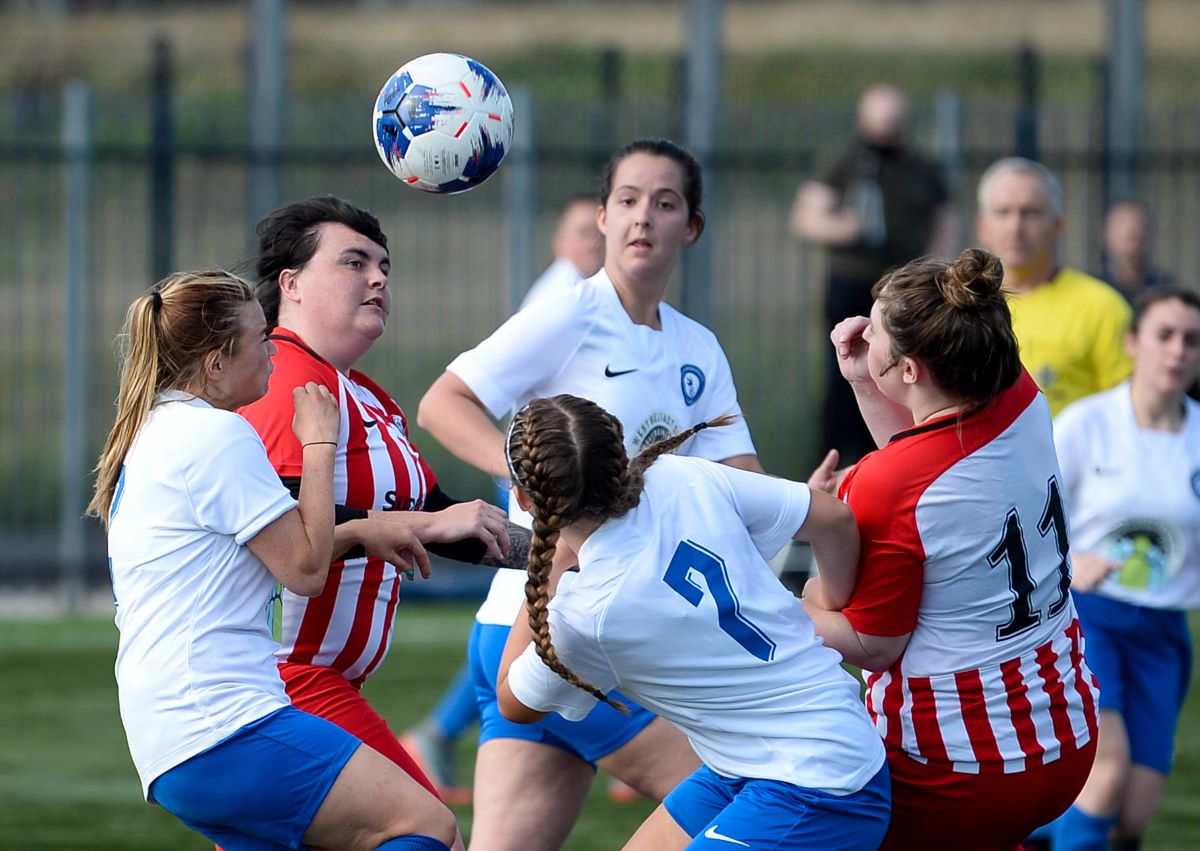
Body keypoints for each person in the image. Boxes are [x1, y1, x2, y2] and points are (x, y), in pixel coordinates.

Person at [418, 137, 762, 850]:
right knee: (754, 788)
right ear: (601, 217)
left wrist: (810, 500)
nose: (644, 217)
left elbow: (742, 484)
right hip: (558, 628)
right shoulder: (571, 314)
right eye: (628, 200)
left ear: (690, 227)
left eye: (665, 203)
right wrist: (519, 471)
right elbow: (444, 402)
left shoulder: (697, 347)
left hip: (583, 637)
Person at [87, 270, 456, 850]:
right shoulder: (216, 435)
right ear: (214, 363)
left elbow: (265, 553)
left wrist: (357, 530)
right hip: (224, 723)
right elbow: (304, 572)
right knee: (425, 825)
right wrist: (318, 442)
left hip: (174, 738)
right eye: (262, 340)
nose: (273, 355)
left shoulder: (159, 430)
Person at [495, 394, 890, 850]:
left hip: (821, 784)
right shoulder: (680, 475)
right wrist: (830, 600)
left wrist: (548, 569)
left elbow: (512, 701)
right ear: (618, 459)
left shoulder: (587, 614)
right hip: (760, 761)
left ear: (524, 499)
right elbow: (836, 519)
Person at [238, 196, 528, 814]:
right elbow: (277, 521)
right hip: (291, 684)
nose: (378, 279)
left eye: (384, 268)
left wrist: (556, 552)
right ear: (291, 284)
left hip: (327, 684)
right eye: (354, 263)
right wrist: (427, 521)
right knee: (426, 827)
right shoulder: (283, 377)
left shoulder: (363, 392)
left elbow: (449, 519)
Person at [803, 249, 1099, 850]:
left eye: (875, 327)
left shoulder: (886, 484)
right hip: (1066, 733)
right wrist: (866, 379)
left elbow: (873, 645)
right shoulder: (1021, 393)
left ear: (910, 370)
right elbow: (929, 465)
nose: (860, 330)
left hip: (957, 763)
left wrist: (797, 601)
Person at [401, 190, 606, 805]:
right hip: (543, 474)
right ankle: (437, 733)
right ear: (562, 241)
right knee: (528, 614)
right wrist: (523, 472)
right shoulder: (563, 302)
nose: (594, 244)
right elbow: (452, 401)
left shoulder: (607, 304)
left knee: (521, 617)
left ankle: (438, 733)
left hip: (548, 473)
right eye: (583, 231)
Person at [1048, 288, 1200, 850]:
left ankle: (1031, 831)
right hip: (1092, 620)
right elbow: (1031, 519)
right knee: (1104, 773)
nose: (1177, 351)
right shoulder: (1087, 424)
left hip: (1165, 633)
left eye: (1192, 340)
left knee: (1132, 815)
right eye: (1164, 335)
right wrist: (1070, 561)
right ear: (1134, 342)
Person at [791, 82, 959, 467]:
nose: (887, 131)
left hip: (903, 289)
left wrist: (935, 265)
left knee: (901, 369)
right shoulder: (846, 163)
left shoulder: (922, 168)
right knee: (844, 371)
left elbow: (945, 219)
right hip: (852, 282)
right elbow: (807, 215)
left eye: (894, 122)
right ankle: (833, 459)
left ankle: (888, 457)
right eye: (880, 122)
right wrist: (843, 227)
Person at [975, 157, 1132, 415]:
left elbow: (1128, 415)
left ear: (1058, 226)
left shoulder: (1102, 307)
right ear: (983, 227)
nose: (1016, 227)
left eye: (1031, 213)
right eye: (1003, 212)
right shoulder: (960, 306)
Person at [520, 192, 605, 308]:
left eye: (600, 233)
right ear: (559, 240)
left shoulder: (587, 288)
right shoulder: (562, 295)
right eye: (584, 233)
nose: (594, 243)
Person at [1097, 199, 1173, 303]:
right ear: (1104, 236)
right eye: (1121, 223)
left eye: (1140, 224)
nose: (1131, 229)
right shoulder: (1092, 290)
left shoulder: (1165, 292)